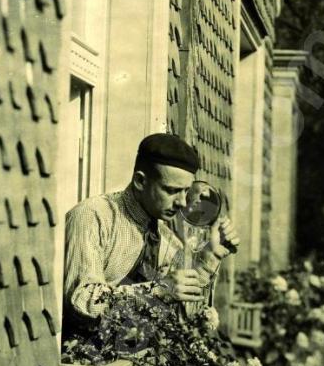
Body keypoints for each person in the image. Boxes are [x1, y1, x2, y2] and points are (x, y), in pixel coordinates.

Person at [63, 133, 240, 332]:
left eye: (185, 191)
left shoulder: (166, 239)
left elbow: (185, 315)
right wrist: (157, 292)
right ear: (140, 181)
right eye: (172, 191)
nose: (182, 202)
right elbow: (81, 301)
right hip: (81, 358)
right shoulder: (93, 217)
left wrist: (211, 255)